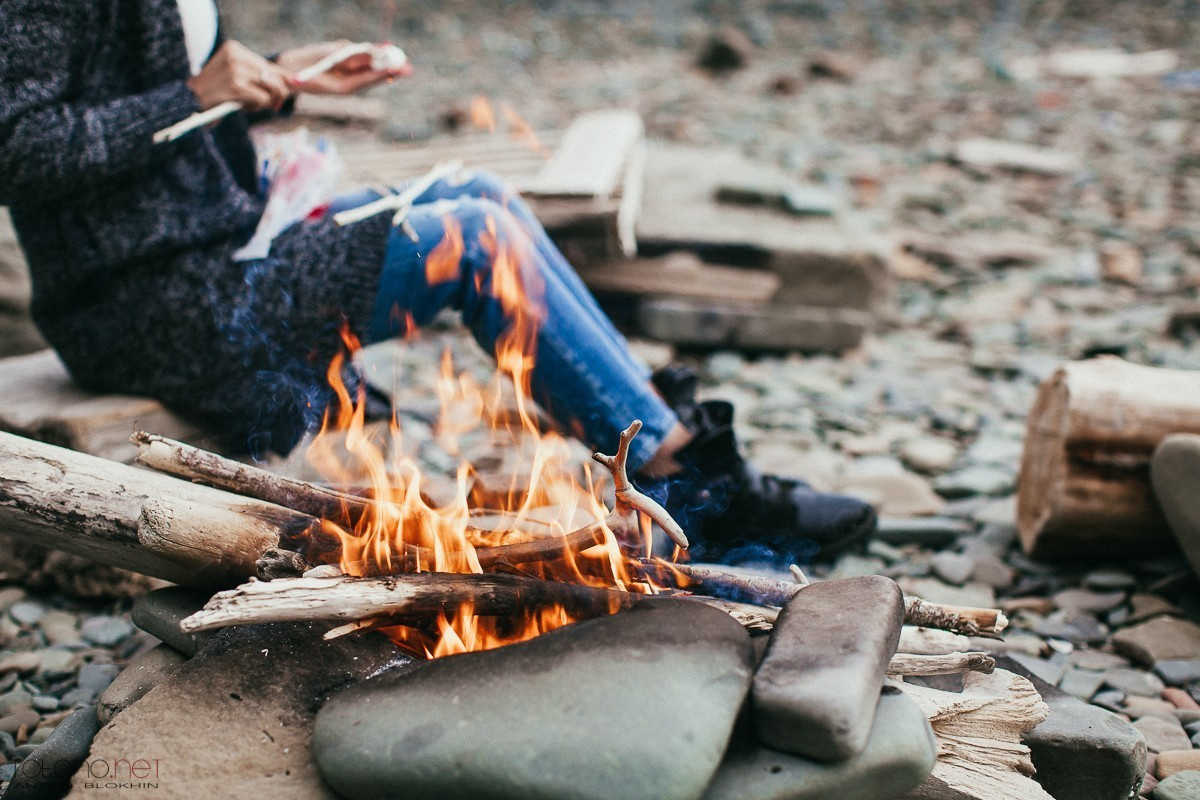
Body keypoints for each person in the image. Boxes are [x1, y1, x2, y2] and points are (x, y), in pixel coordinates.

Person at [0, 0, 876, 562]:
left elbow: (184, 93)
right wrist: (191, 95)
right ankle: (686, 481)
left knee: (480, 192)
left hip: (222, 241)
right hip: (148, 299)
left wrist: (282, 80)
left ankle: (673, 457)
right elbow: (21, 146)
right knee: (476, 239)